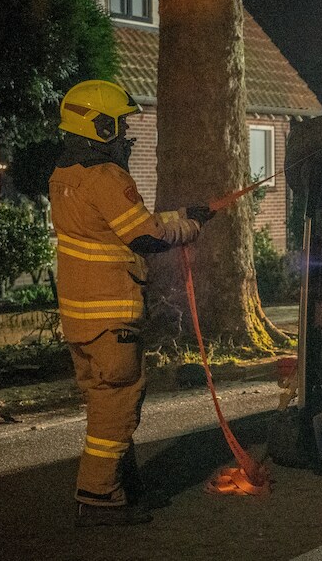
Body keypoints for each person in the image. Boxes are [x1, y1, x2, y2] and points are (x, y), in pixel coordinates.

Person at [50, 80, 214, 527]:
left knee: (103, 400)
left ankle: (121, 481)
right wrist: (193, 228)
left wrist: (181, 214)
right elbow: (144, 236)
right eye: (118, 124)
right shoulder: (107, 176)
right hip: (111, 315)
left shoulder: (65, 175)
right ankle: (99, 496)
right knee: (118, 403)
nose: (123, 133)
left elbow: (122, 224)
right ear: (97, 125)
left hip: (81, 319)